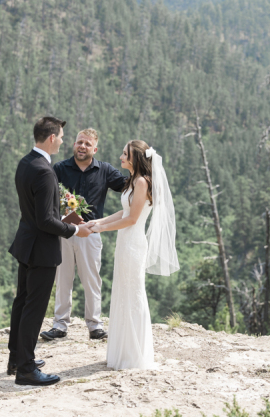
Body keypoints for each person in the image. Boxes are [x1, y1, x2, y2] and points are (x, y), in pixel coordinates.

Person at [7, 116, 94, 386]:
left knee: (22, 302)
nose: (65, 141)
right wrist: (75, 230)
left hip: (26, 243)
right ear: (52, 138)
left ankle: (16, 358)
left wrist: (63, 213)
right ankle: (26, 369)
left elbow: (36, 211)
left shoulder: (26, 162)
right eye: (62, 136)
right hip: (42, 248)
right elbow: (46, 220)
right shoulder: (45, 170)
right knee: (34, 308)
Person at [91, 140, 179, 370]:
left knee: (133, 293)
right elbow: (125, 211)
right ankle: (122, 352)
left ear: (135, 158)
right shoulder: (133, 181)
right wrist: (99, 221)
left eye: (124, 154)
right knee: (122, 292)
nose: (120, 157)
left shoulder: (141, 182)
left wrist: (101, 229)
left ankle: (134, 354)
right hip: (124, 242)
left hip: (133, 244)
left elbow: (132, 219)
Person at [40, 128, 126, 342]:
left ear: (94, 149)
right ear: (74, 144)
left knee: (92, 280)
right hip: (64, 232)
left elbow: (127, 187)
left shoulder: (105, 170)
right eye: (80, 142)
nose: (82, 146)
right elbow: (49, 197)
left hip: (92, 233)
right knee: (63, 279)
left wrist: (146, 174)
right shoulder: (59, 168)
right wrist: (63, 222)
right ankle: (59, 325)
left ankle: (95, 326)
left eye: (87, 144)